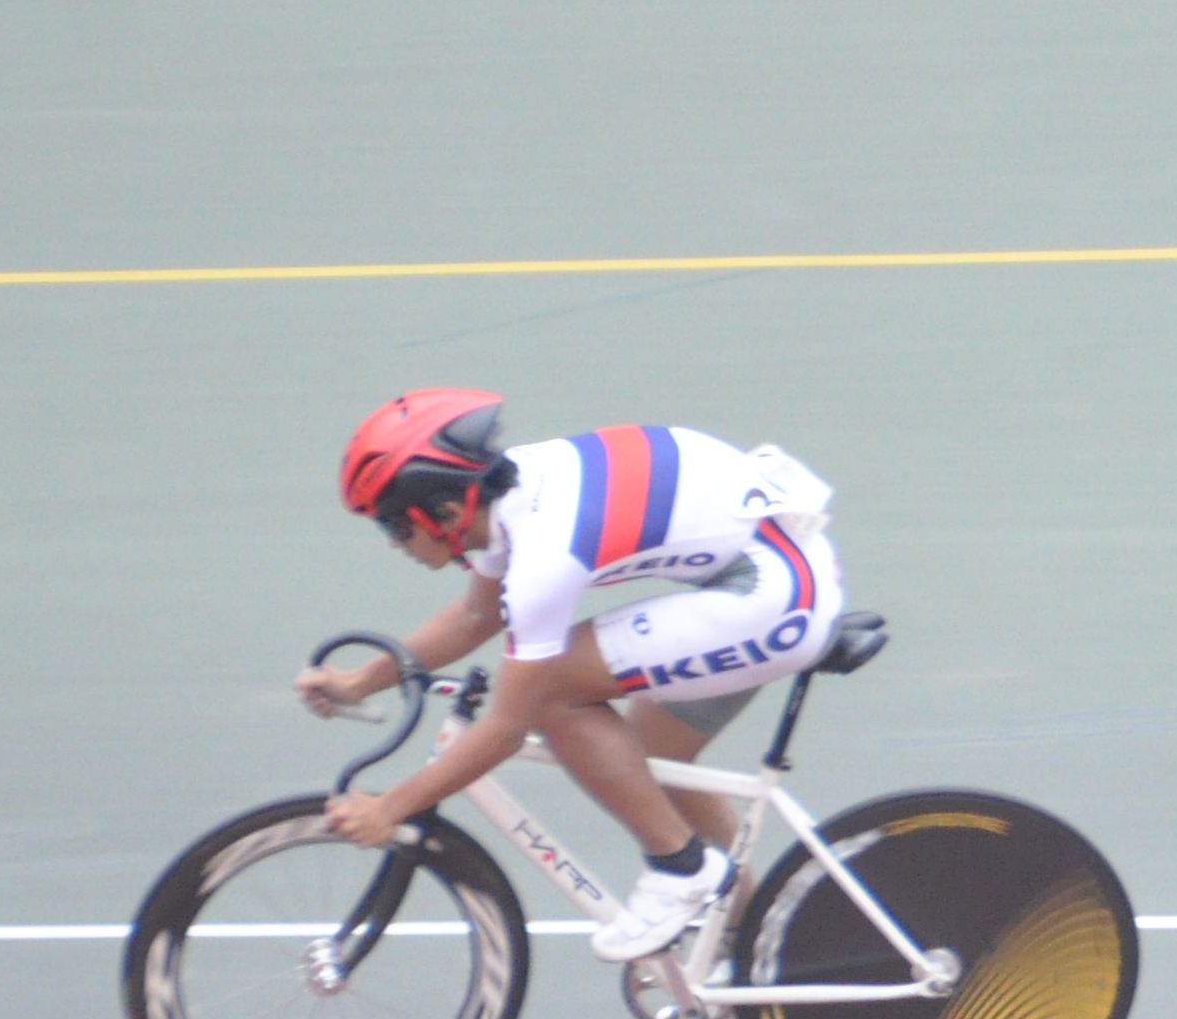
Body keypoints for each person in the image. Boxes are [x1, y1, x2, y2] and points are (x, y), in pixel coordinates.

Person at [303, 390, 845, 960]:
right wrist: (360, 682)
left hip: (776, 595)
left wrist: (390, 808)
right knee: (654, 761)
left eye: (392, 526)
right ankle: (751, 945)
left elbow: (510, 725)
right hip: (775, 565)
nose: (393, 545)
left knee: (554, 692)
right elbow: (475, 616)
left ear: (443, 512)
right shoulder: (501, 496)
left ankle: (680, 868)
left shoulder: (544, 553)